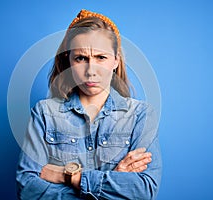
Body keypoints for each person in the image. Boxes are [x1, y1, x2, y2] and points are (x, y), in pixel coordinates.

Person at [16, 9, 162, 200]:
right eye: (80, 58)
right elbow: (28, 190)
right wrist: (114, 184)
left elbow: (144, 190)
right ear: (68, 61)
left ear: (116, 60)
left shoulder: (141, 115)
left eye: (101, 57)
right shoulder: (44, 113)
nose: (91, 70)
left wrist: (69, 176)